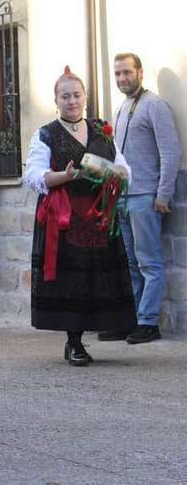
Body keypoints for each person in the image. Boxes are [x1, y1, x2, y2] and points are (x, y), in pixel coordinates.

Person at [23, 67, 136, 365]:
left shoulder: (101, 129)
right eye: (65, 96)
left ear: (85, 97)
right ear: (56, 100)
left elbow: (124, 169)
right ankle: (74, 342)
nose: (72, 101)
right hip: (64, 215)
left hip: (98, 215)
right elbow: (32, 175)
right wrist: (64, 175)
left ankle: (100, 329)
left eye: (76, 95)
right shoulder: (45, 133)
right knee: (70, 279)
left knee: (95, 276)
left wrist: (118, 175)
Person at [98, 53, 182, 344]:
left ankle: (148, 322)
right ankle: (130, 320)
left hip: (146, 197)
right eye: (118, 74)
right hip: (122, 197)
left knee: (149, 262)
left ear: (140, 72)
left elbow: (170, 153)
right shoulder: (122, 108)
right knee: (130, 263)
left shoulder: (155, 106)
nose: (122, 79)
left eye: (127, 73)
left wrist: (163, 195)